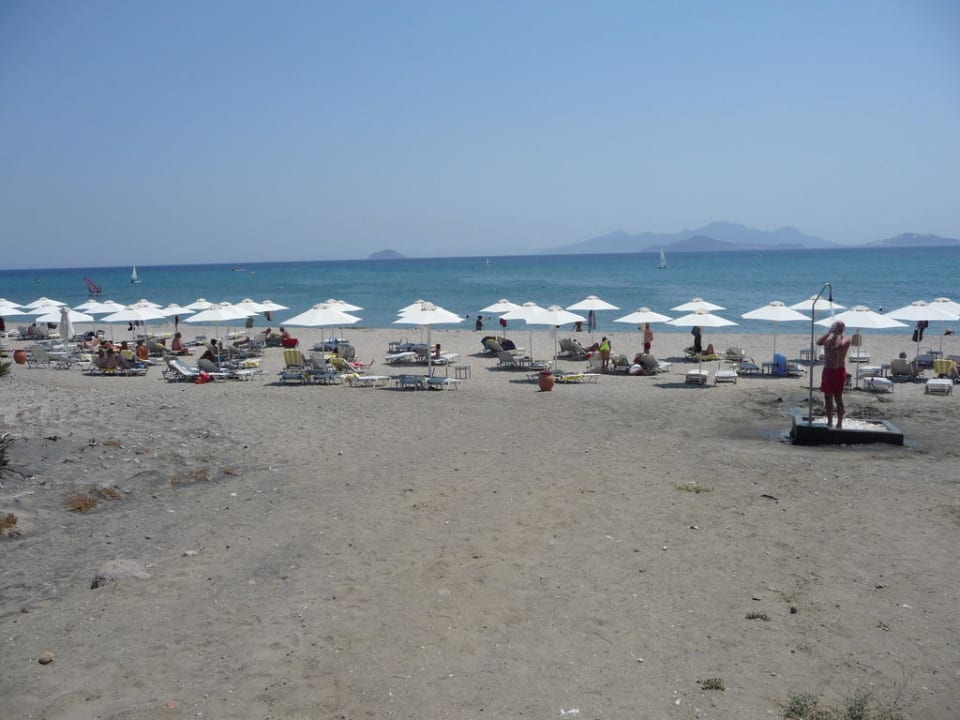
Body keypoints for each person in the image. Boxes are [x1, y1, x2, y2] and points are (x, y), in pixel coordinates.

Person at [817, 320, 852, 429]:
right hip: (828, 370)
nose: (836, 327)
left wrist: (836, 334)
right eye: (835, 326)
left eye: (839, 326)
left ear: (843, 328)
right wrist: (829, 332)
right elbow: (818, 342)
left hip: (838, 370)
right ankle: (829, 421)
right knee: (827, 397)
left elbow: (838, 346)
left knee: (838, 397)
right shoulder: (829, 338)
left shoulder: (845, 339)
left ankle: (840, 422)